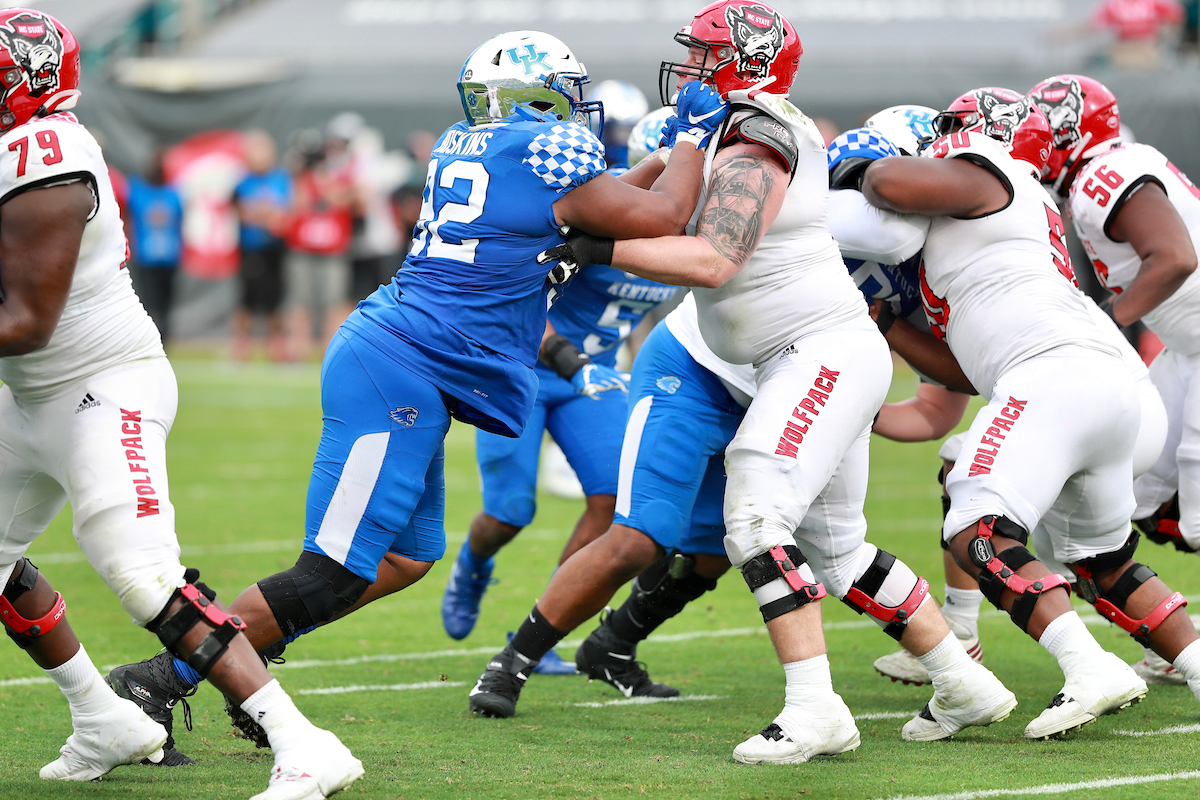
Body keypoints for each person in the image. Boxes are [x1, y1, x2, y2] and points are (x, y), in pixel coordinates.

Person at [105, 27, 728, 752]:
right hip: (399, 365)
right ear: (531, 97)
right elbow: (661, 217)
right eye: (561, 95)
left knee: (406, 557)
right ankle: (161, 677)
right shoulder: (540, 151)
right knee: (331, 570)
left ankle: (240, 650)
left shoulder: (473, 143)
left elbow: (609, 199)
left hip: (416, 361)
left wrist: (659, 154)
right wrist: (690, 137)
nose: (574, 109)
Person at [470, 2, 1017, 764]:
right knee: (840, 550)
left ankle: (813, 708)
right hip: (805, 353)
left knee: (757, 516)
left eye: (701, 53)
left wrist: (594, 249)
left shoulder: (758, 136)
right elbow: (647, 197)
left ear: (744, 62)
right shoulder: (730, 130)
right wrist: (586, 220)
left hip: (815, 352)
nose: (688, 65)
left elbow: (712, 261)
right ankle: (964, 682)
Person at [0, 10, 363, 798]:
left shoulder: (46, 152)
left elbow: (25, 323)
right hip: (29, 393)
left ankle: (302, 742)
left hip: (99, 385)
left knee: (140, 573)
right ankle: (106, 718)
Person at [861, 86, 1200, 738]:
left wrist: (860, 164)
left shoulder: (986, 171)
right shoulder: (1007, 214)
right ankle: (1190, 657)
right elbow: (970, 368)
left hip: (1060, 376)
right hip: (1112, 384)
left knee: (975, 524)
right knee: (1101, 560)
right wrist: (882, 322)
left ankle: (1086, 666)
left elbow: (889, 180)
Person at [1029, 74, 1200, 684]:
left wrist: (1106, 323)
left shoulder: (1105, 175)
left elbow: (1177, 256)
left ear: (1074, 129)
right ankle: (1172, 636)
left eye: (1043, 129)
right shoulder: (1097, 173)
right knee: (1141, 494)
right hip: (1184, 350)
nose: (1032, 140)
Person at [231, 129, 291, 362]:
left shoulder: (281, 178)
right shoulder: (242, 181)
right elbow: (244, 213)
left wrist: (265, 214)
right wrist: (265, 214)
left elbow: (285, 214)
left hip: (275, 248)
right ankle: (241, 348)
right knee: (247, 300)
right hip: (251, 248)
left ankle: (276, 348)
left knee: (275, 300)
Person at [125, 148, 183, 343]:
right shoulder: (137, 191)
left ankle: (165, 341)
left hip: (169, 257)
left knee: (166, 304)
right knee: (147, 302)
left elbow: (180, 223)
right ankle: (147, 340)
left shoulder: (174, 193)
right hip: (146, 256)